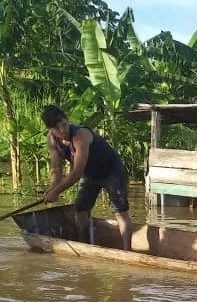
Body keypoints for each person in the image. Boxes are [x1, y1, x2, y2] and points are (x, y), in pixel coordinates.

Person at [41, 105, 133, 251]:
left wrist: (57, 191)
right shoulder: (52, 139)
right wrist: (52, 188)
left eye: (64, 125)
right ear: (50, 130)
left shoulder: (80, 135)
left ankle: (128, 250)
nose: (62, 131)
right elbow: (56, 168)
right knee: (80, 210)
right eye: (57, 129)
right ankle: (84, 245)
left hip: (112, 172)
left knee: (120, 212)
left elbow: (76, 173)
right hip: (90, 175)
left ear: (67, 121)